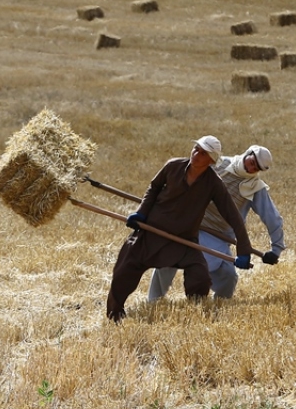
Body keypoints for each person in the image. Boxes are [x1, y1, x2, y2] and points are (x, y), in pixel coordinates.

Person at [106, 136, 254, 322]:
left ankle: (197, 316)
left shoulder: (214, 184)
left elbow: (233, 216)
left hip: (183, 241)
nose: (197, 155)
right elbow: (154, 187)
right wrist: (141, 213)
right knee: (123, 274)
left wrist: (244, 251)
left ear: (211, 160)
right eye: (196, 149)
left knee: (200, 277)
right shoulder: (173, 166)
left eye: (203, 153)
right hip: (151, 233)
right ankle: (115, 315)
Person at [147, 145, 284, 303]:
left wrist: (276, 249)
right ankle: (153, 302)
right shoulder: (217, 164)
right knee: (166, 259)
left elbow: (272, 217)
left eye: (256, 168)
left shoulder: (255, 187)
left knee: (228, 275)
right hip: (188, 223)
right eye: (251, 162)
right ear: (248, 153)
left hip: (217, 235)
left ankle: (220, 305)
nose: (251, 168)